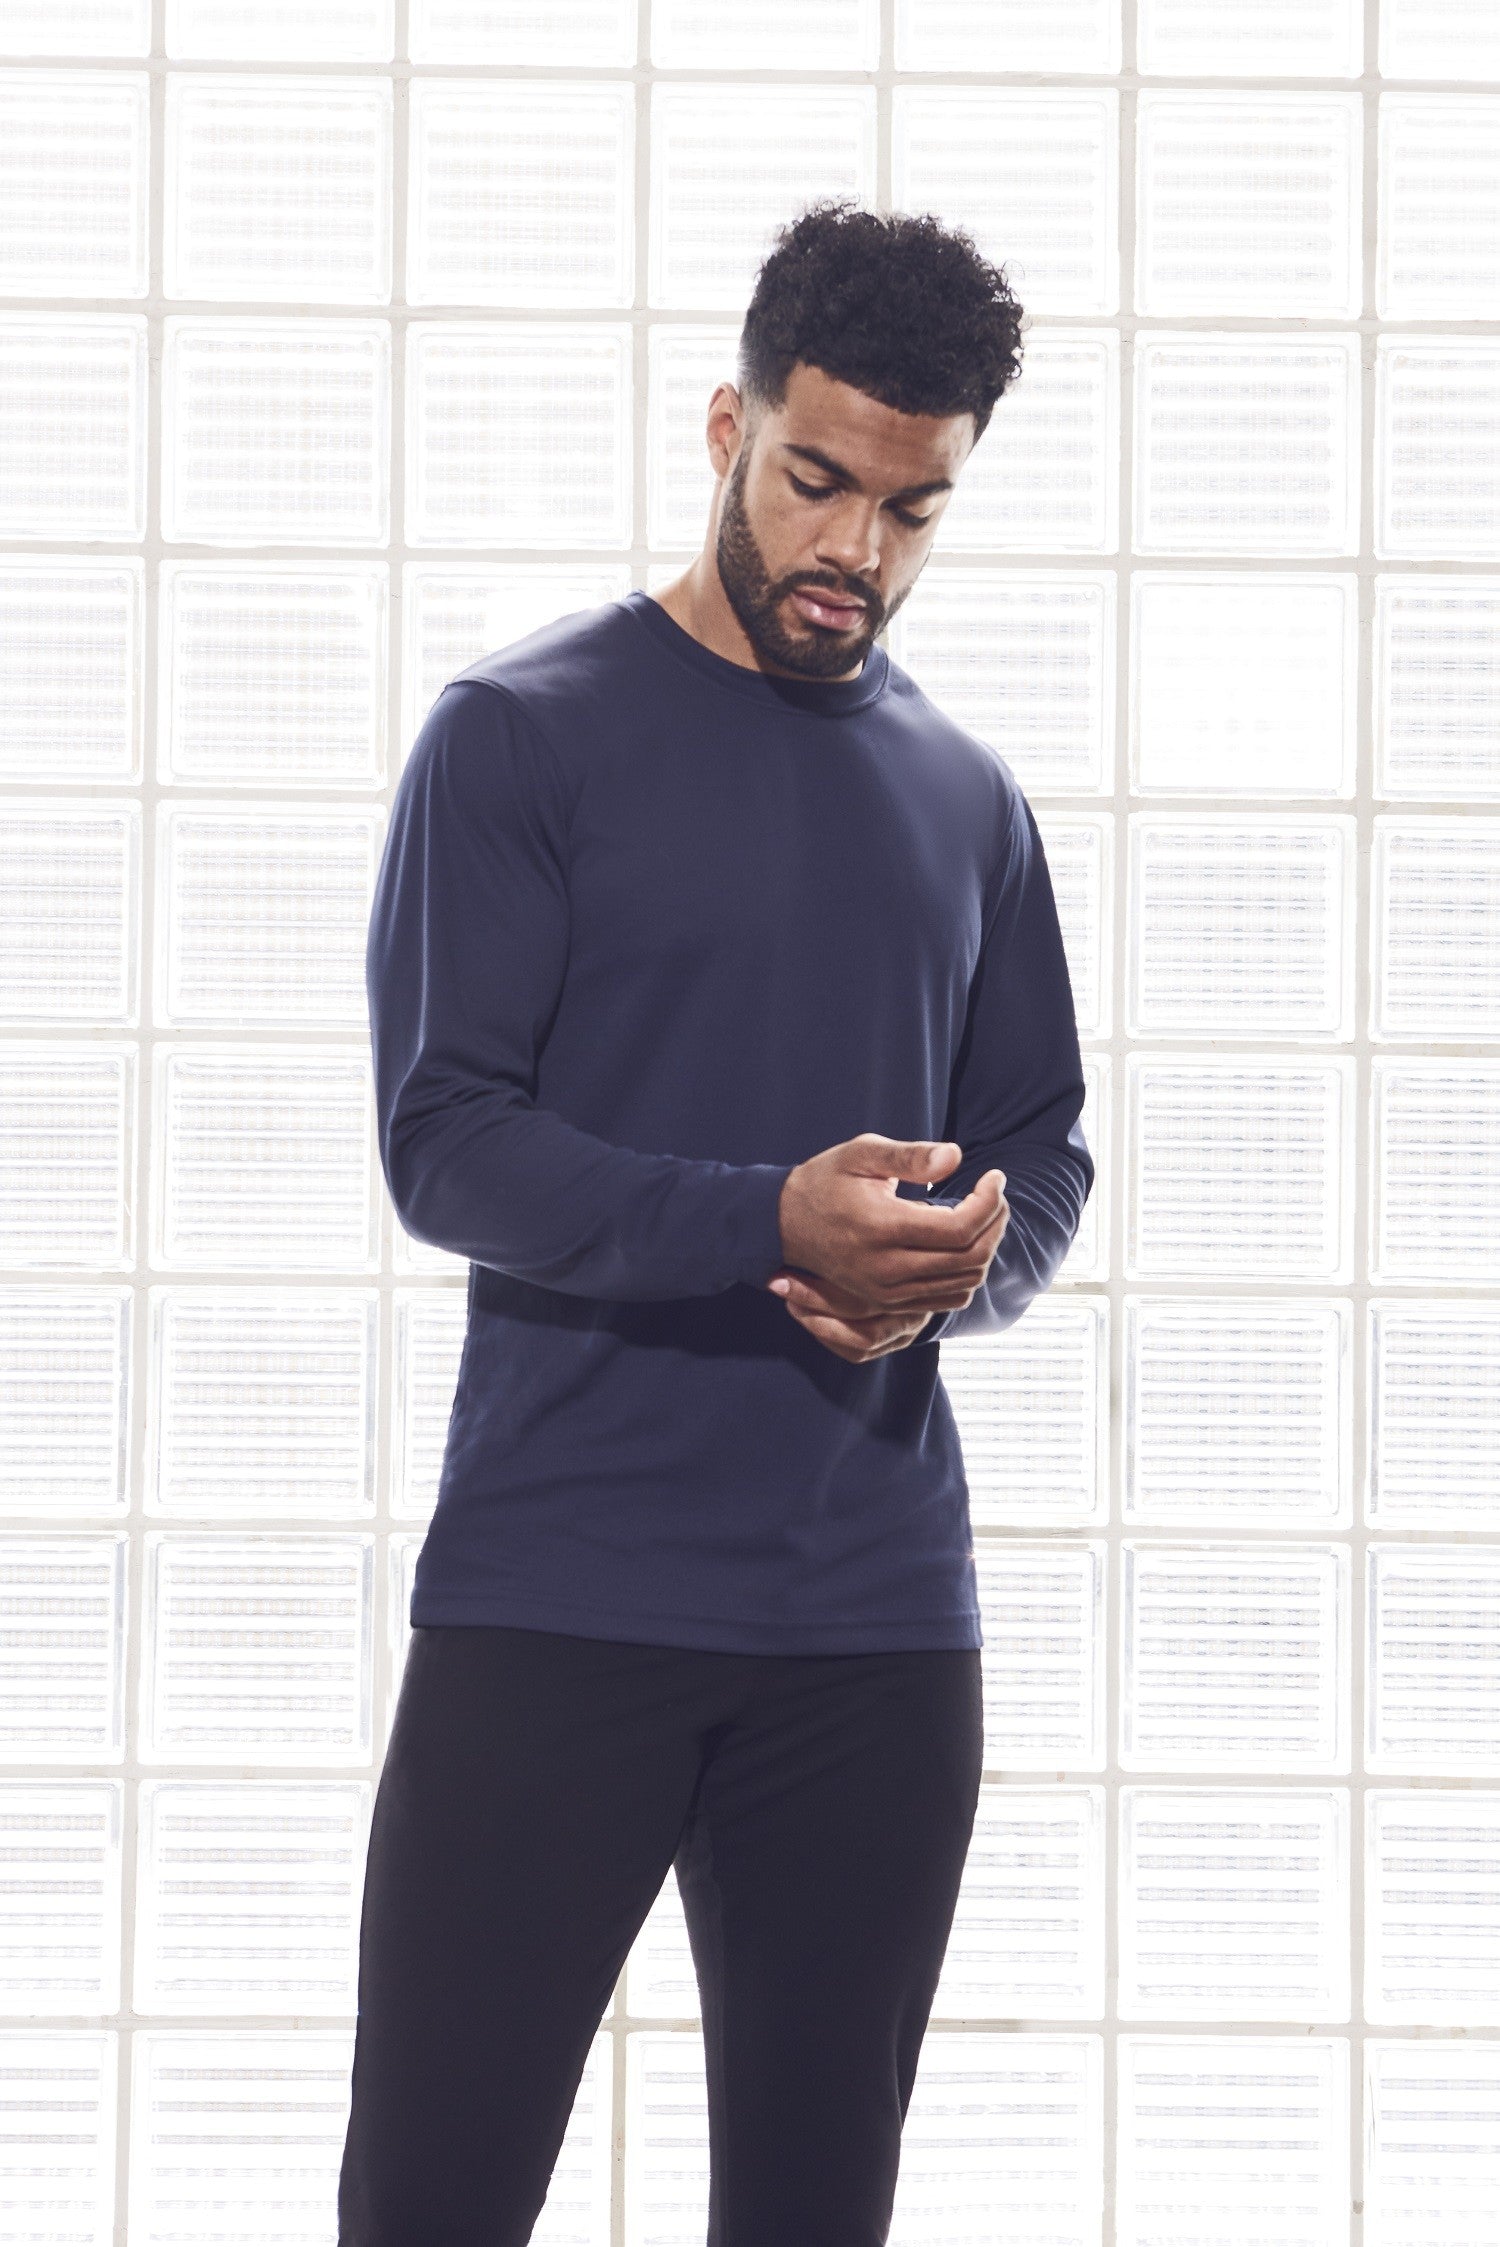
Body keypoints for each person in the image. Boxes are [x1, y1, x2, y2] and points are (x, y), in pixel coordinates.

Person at [338, 196, 1094, 2246]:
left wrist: (951, 1271)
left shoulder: (971, 800)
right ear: (726, 427)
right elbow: (447, 1144)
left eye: (914, 510)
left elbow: (1042, 1150)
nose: (858, 550)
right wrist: (773, 1221)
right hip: (556, 1596)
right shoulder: (520, 736)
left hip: (874, 1635)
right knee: (430, 2204)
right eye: (816, 479)